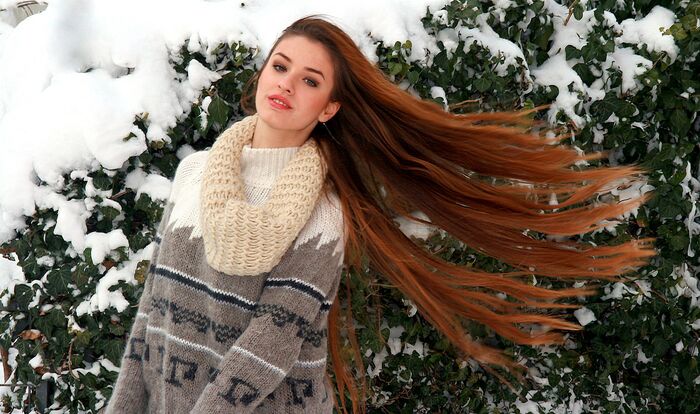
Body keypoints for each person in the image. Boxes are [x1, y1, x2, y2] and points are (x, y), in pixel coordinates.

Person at [105, 14, 658, 414]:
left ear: (329, 109)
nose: (287, 84)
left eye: (311, 80)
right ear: (262, 74)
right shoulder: (194, 175)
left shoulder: (321, 213)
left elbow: (269, 345)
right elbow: (153, 312)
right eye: (281, 66)